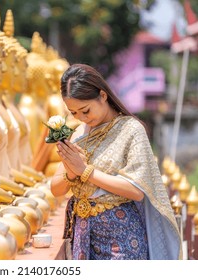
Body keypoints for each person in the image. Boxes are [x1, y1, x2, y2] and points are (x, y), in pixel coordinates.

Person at [51, 63, 181, 260]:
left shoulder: (131, 130)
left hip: (121, 236)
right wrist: (71, 170)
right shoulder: (78, 132)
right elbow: (55, 189)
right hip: (84, 234)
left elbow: (136, 190)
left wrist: (85, 171)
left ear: (103, 96)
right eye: (74, 113)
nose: (82, 118)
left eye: (86, 110)